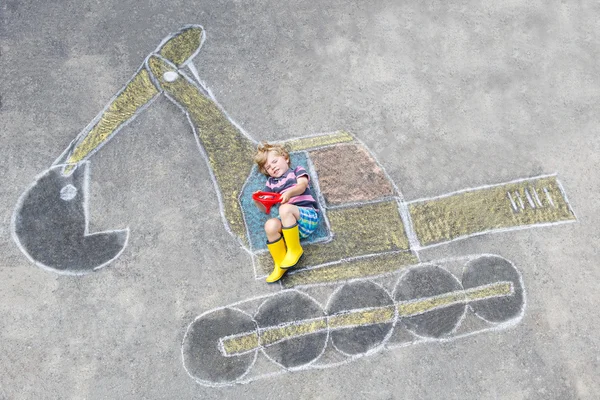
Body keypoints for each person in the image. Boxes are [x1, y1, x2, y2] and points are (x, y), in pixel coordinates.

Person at [253, 142, 320, 283]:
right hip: (290, 229)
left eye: (275, 161)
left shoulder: (297, 171)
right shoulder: (271, 183)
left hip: (307, 217)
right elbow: (266, 209)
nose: (273, 167)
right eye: (268, 168)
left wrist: (290, 192)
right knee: (270, 225)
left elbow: (302, 186)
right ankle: (281, 263)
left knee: (285, 208)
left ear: (286, 158)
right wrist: (258, 200)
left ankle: (295, 250)